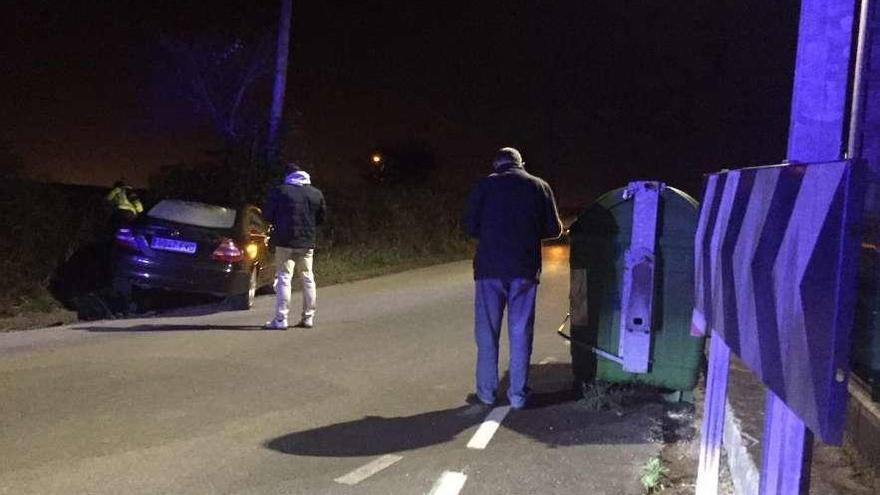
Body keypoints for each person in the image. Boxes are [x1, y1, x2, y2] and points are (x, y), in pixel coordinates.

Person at [463, 147, 563, 409]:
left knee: (487, 333)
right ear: (521, 163)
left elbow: (470, 226)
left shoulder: (483, 186)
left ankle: (486, 393)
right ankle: (517, 396)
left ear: (496, 165)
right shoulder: (539, 186)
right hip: (524, 269)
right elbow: (554, 229)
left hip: (489, 270)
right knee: (520, 332)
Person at [263, 163, 327, 330]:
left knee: (284, 278)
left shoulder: (281, 191)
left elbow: (268, 215)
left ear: (288, 176)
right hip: (306, 242)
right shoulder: (316, 193)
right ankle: (308, 318)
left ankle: (281, 319)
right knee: (308, 278)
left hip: (284, 241)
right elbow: (321, 219)